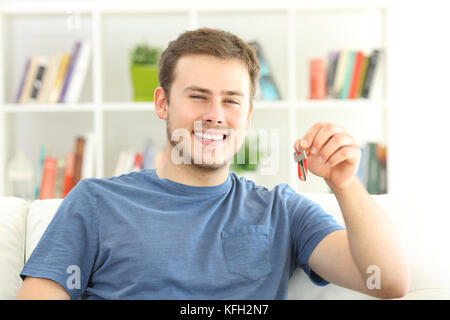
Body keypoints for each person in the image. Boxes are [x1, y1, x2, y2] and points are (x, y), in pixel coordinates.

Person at [16, 28, 410, 300]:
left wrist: (344, 183)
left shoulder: (283, 210)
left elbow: (387, 281)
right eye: (198, 96)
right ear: (162, 103)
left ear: (249, 114)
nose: (215, 115)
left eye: (232, 101)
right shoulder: (96, 202)